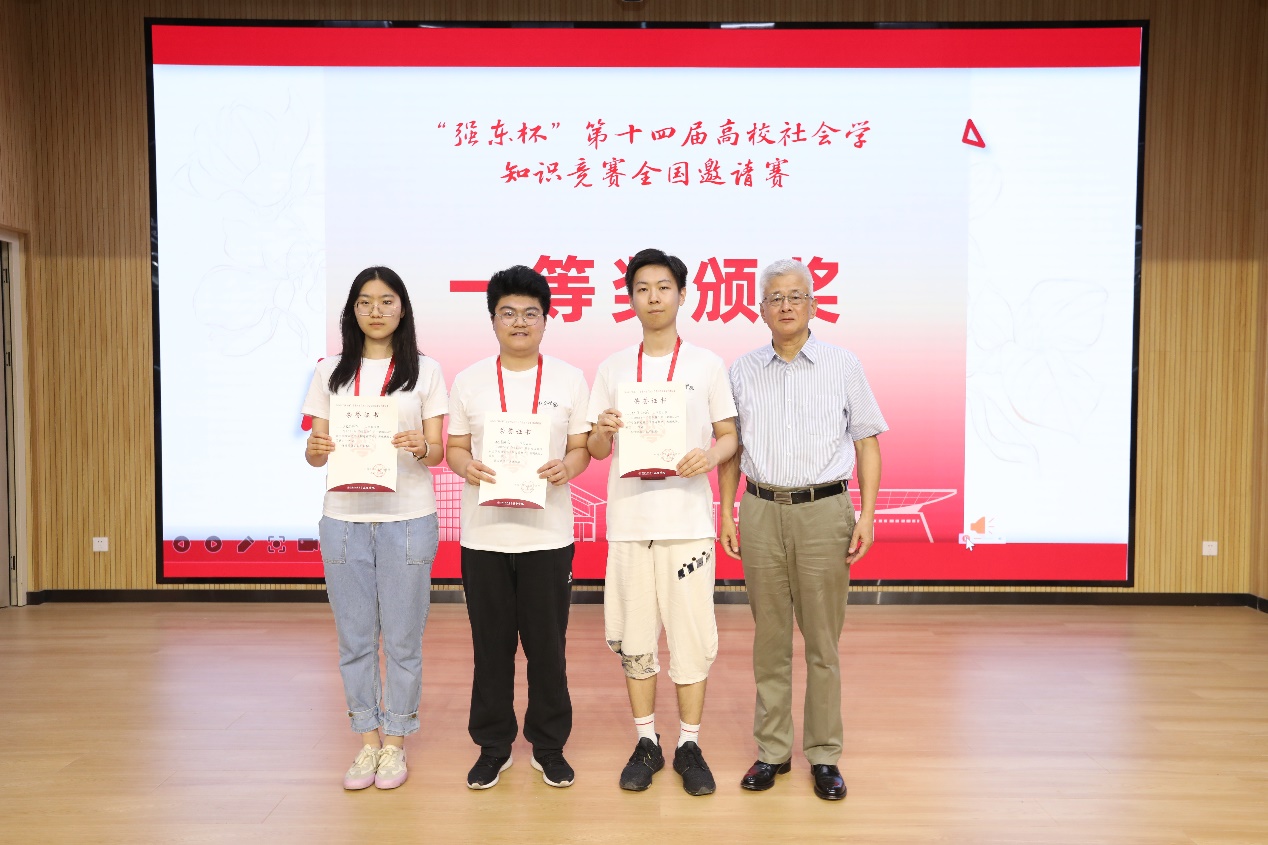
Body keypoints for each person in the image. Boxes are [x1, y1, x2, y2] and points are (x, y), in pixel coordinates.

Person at [719, 258, 887, 801]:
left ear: (813, 305)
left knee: (821, 641)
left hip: (824, 511)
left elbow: (867, 441)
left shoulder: (842, 364)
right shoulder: (742, 370)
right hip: (761, 509)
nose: (786, 305)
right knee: (769, 639)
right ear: (760, 309)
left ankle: (824, 753)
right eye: (775, 298)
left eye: (796, 296)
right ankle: (772, 750)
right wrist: (726, 511)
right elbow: (731, 448)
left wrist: (867, 514)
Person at [587, 247, 738, 796]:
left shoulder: (706, 365)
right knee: (635, 637)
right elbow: (596, 449)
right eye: (642, 288)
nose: (653, 297)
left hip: (687, 523)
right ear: (630, 298)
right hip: (630, 523)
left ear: (682, 294)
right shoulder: (612, 369)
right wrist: (603, 430)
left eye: (663, 287)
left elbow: (729, 435)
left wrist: (710, 455)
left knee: (691, 636)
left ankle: (689, 744)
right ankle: (647, 742)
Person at [446, 265, 592, 790]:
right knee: (491, 648)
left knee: (547, 647)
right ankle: (493, 746)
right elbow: (454, 447)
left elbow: (581, 448)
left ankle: (549, 746)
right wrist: (467, 466)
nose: (520, 322)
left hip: (547, 537)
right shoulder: (469, 381)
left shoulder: (569, 379)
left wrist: (567, 467)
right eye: (508, 313)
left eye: (531, 313)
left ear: (546, 320)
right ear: (493, 320)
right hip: (484, 536)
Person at [302, 266, 447, 790]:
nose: (376, 311)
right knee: (355, 640)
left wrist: (421, 446)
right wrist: (315, 448)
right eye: (365, 302)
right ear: (353, 311)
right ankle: (367, 742)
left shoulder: (425, 370)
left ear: (402, 309)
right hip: (343, 520)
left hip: (407, 518)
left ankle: (396, 744)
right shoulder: (330, 372)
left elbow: (437, 451)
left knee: (403, 641)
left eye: (387, 301)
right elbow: (316, 454)